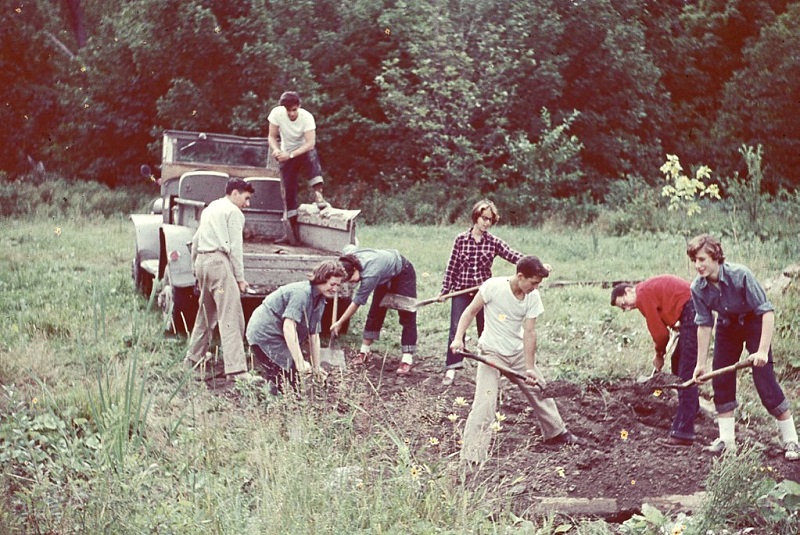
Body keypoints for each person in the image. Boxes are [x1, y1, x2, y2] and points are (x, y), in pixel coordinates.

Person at [450, 256, 581, 464]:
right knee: (485, 402)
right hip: (490, 354)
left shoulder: (532, 297)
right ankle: (472, 456)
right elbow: (469, 312)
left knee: (540, 388)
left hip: (516, 352)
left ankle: (556, 433)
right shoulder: (493, 287)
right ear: (520, 276)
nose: (536, 287)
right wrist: (458, 339)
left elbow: (530, 333)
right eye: (533, 282)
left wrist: (529, 368)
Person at [686, 234, 798, 461]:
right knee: (722, 381)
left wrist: (763, 350)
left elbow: (766, 312)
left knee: (765, 382)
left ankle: (792, 440)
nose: (698, 265)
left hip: (754, 324)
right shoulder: (698, 288)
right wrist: (700, 364)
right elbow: (704, 324)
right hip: (727, 326)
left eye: (702, 259)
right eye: (694, 261)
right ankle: (727, 442)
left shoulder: (741, 275)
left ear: (715, 257)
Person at [439, 199, 525, 386]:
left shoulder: (493, 242)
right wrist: (445, 291)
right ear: (476, 218)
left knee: (486, 331)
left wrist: (534, 264)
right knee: (457, 330)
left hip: (484, 294)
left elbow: (513, 255)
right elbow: (452, 267)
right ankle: (452, 368)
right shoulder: (461, 240)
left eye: (490, 220)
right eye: (484, 218)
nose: (486, 223)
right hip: (462, 291)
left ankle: (490, 368)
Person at [611, 276, 699, 446]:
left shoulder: (642, 294)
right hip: (691, 309)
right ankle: (692, 408)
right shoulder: (646, 290)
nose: (628, 308)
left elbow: (660, 333)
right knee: (677, 361)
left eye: (624, 304)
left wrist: (659, 354)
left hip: (692, 309)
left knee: (686, 372)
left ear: (628, 291)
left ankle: (683, 432)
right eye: (624, 309)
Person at [184, 178, 254, 381]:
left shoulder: (211, 208)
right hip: (219, 266)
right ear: (234, 193)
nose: (247, 204)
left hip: (203, 264)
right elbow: (235, 248)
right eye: (246, 198)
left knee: (206, 313)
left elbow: (196, 240)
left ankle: (193, 359)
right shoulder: (233, 213)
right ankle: (237, 370)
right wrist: (240, 278)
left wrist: (195, 268)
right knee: (230, 314)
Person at [246, 260, 346, 393]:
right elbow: (289, 327)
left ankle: (274, 396)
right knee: (288, 372)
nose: (335, 289)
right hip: (265, 334)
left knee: (291, 375)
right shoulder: (302, 294)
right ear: (321, 279)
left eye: (338, 285)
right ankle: (272, 401)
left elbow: (314, 335)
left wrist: (316, 367)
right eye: (332, 284)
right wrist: (299, 362)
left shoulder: (320, 301)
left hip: (278, 335)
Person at [333, 246, 417, 375]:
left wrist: (340, 322)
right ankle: (364, 352)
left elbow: (356, 303)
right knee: (376, 311)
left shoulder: (370, 274)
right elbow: (348, 247)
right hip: (384, 271)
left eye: (351, 279)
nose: (352, 283)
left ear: (356, 269)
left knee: (407, 313)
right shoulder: (350, 257)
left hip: (403, 271)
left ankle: (407, 359)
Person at [267, 91, 327, 244]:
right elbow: (272, 136)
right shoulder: (276, 114)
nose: (291, 113)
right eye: (288, 110)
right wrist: (276, 149)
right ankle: (292, 233)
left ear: (299, 107)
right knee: (289, 189)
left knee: (312, 155)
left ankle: (318, 194)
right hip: (286, 154)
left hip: (303, 150)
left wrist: (291, 155)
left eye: (294, 110)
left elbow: (310, 143)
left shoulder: (307, 118)